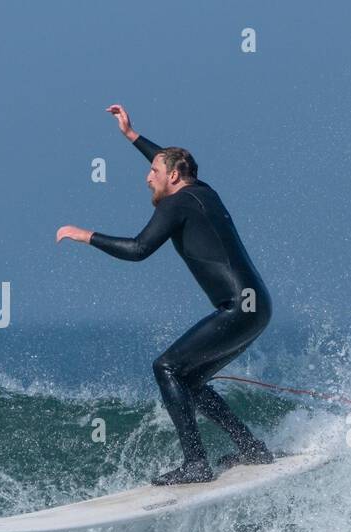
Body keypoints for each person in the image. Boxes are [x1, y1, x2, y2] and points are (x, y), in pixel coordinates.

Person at [57, 104, 275, 484]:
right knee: (189, 381)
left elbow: (139, 249)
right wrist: (131, 135)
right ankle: (250, 447)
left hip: (237, 309)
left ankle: (196, 463)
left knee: (167, 367)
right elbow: (173, 162)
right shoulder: (203, 192)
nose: (147, 178)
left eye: (154, 172)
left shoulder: (175, 205)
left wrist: (85, 235)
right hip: (257, 308)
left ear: (173, 176)